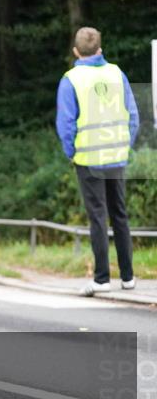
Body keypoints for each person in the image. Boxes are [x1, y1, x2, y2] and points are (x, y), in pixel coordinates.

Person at [55, 27, 140, 296]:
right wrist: (125, 145)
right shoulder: (117, 74)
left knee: (98, 218)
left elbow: (66, 124)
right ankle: (128, 277)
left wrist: (72, 153)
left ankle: (102, 278)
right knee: (120, 215)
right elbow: (133, 115)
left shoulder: (71, 80)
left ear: (76, 51)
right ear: (100, 49)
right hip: (116, 156)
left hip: (89, 158)